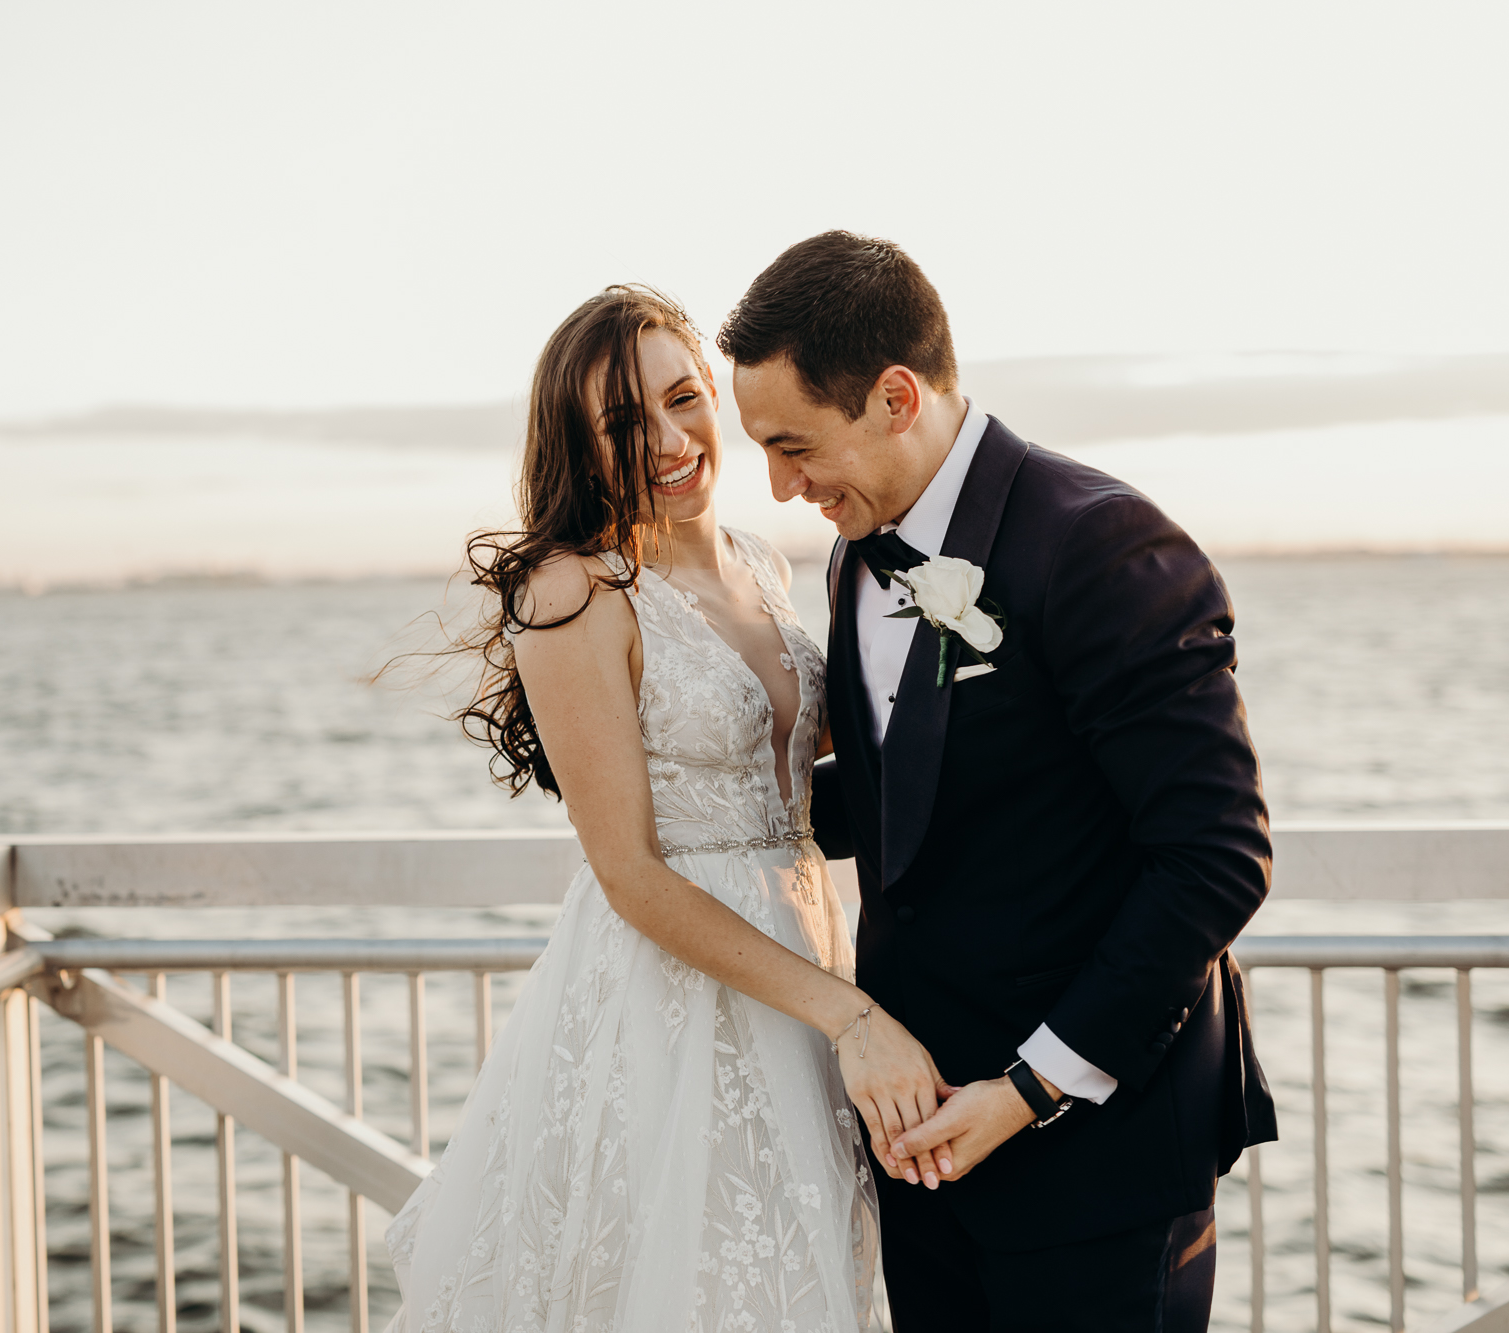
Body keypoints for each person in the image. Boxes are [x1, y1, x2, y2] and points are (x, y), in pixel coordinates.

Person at [719, 230, 1278, 1332]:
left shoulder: (1102, 547)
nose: (782, 488)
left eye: (792, 447)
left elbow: (1214, 856)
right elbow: (916, 804)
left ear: (892, 397)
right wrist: (678, 825)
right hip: (922, 1149)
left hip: (1095, 1158)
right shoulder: (855, 554)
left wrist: (1027, 1090)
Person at [386, 285, 937, 1332]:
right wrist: (850, 1014)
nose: (670, 440)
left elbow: (821, 762)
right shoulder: (572, 592)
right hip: (674, 1002)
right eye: (623, 424)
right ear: (576, 444)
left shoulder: (761, 565)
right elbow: (628, 871)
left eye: (684, 398)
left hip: (802, 963)